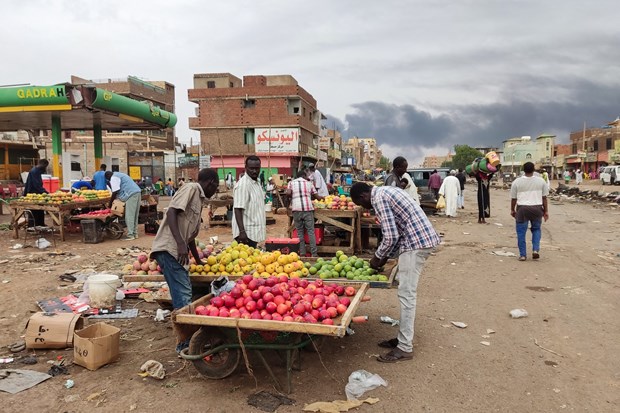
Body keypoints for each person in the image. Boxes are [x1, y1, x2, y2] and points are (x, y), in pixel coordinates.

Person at [350, 182, 440, 362]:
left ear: (363, 197)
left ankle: (405, 347)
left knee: (407, 294)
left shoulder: (379, 199)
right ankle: (402, 339)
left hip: (416, 244)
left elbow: (391, 236)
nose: (365, 208)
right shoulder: (386, 191)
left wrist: (377, 257)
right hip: (419, 240)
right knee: (406, 293)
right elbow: (397, 233)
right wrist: (385, 257)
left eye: (361, 204)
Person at [150, 168, 219, 352]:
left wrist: (198, 260)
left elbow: (190, 238)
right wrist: (180, 244)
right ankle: (185, 345)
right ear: (211, 183)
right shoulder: (191, 189)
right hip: (169, 249)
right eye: (216, 187)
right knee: (183, 297)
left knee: (184, 294)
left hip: (177, 251)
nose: (216, 191)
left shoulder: (199, 198)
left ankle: (187, 342)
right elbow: (171, 212)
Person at [510, 162, 549, 261]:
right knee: (536, 229)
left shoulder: (517, 182)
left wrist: (512, 210)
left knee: (521, 233)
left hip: (522, 209)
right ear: (533, 170)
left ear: (523, 170)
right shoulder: (541, 181)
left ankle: (523, 255)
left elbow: (514, 199)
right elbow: (544, 198)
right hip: (537, 208)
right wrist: (546, 211)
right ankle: (535, 250)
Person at [287, 168, 322, 257]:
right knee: (311, 231)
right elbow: (317, 197)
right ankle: (314, 254)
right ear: (303, 176)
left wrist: (292, 198)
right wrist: (324, 198)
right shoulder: (309, 183)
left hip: (296, 210)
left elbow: (288, 193)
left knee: (300, 232)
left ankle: (302, 253)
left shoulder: (291, 183)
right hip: (308, 210)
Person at [232, 156, 266, 247]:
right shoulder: (243, 185)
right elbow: (238, 209)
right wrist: (242, 232)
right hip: (246, 235)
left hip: (254, 233)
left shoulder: (257, 183)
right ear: (246, 167)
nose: (254, 171)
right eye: (251, 168)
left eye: (257, 168)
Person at [106, 171, 142, 241]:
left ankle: (131, 235)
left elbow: (115, 191)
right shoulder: (120, 174)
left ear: (108, 177)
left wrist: (110, 204)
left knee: (129, 215)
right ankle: (135, 233)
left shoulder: (114, 177)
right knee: (135, 215)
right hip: (137, 192)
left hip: (130, 194)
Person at [23, 159, 49, 227]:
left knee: (40, 210)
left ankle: (40, 224)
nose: (45, 168)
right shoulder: (34, 171)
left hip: (37, 194)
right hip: (32, 193)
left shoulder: (37, 171)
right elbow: (36, 185)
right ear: (43, 165)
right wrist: (46, 192)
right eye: (46, 166)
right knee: (34, 210)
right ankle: (32, 226)